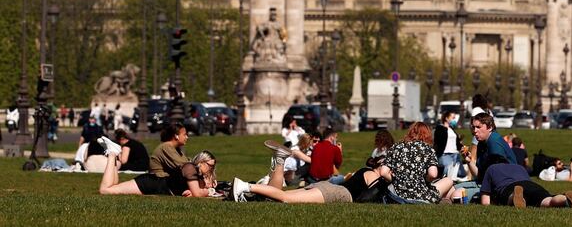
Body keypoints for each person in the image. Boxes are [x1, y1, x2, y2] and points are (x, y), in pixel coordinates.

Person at [233, 142, 387, 203]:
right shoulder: (376, 178)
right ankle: (245, 186)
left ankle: (280, 160)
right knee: (285, 198)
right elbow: (366, 198)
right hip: (336, 193)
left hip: (325, 186)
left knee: (278, 196)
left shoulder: (363, 170)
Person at [99, 143, 218, 198]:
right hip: (150, 184)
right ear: (201, 162)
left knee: (113, 187)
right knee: (106, 190)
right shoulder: (190, 168)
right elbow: (198, 193)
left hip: (155, 185)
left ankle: (113, 153)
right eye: (210, 165)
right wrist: (209, 191)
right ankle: (112, 154)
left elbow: (194, 192)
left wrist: (207, 186)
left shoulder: (198, 174)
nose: (211, 168)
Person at [380, 122, 455, 203]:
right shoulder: (428, 149)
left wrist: (396, 180)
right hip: (420, 196)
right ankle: (447, 200)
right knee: (449, 181)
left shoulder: (396, 147)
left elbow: (383, 172)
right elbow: (433, 174)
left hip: (397, 195)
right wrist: (426, 181)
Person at [480, 163, 572, 210]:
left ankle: (515, 196)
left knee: (511, 197)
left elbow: (485, 201)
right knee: (548, 201)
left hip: (509, 187)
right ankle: (565, 199)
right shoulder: (519, 167)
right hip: (531, 184)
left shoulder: (491, 168)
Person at [465, 112, 517, 183]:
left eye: (478, 127)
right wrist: (469, 161)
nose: (475, 131)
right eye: (473, 127)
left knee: (457, 191)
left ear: (490, 127)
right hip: (488, 184)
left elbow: (498, 176)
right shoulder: (481, 142)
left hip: (506, 186)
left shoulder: (494, 142)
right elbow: (480, 176)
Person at [434, 111, 463, 179]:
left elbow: (456, 142)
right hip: (446, 154)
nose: (454, 120)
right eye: (452, 118)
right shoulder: (440, 128)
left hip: (455, 154)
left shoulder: (451, 129)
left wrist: (460, 144)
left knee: (459, 174)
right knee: (447, 175)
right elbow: (438, 141)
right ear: (446, 118)